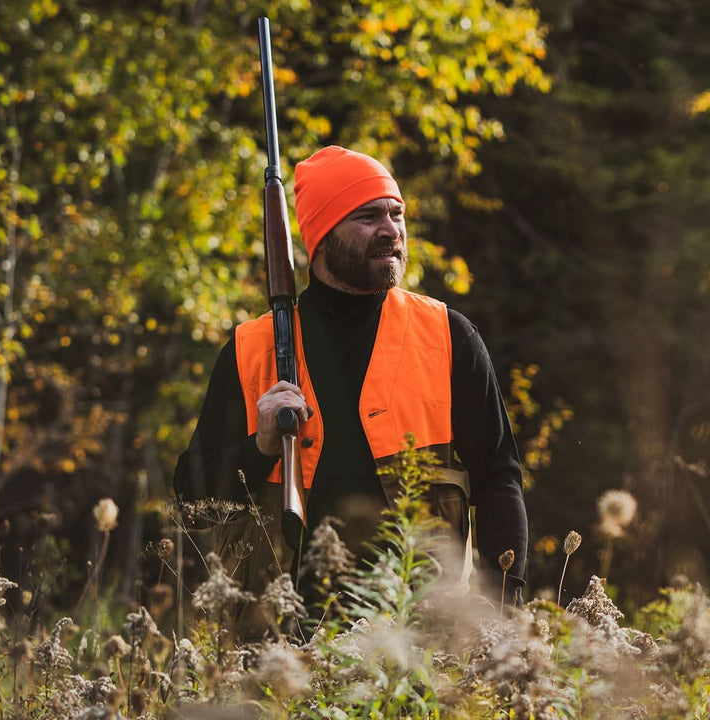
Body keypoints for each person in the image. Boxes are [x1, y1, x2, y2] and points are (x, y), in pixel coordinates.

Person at [174, 145, 527, 609]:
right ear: (322, 237)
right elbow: (191, 505)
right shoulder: (250, 349)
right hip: (284, 634)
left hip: (421, 631)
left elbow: (499, 479)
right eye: (367, 216)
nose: (391, 230)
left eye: (396, 214)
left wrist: (505, 604)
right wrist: (259, 448)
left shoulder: (448, 335)